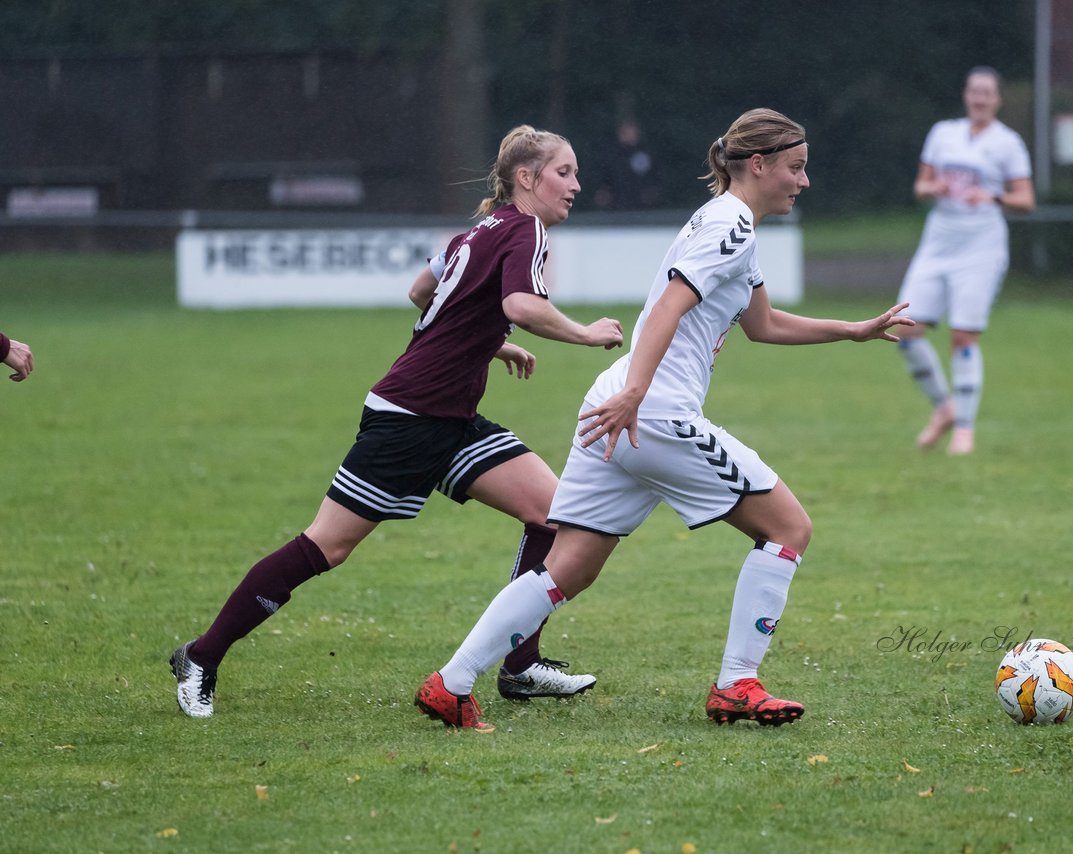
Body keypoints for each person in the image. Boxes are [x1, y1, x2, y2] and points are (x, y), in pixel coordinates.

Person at [414, 108, 914, 732]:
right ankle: (737, 684)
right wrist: (638, 396)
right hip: (648, 411)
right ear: (757, 165)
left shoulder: (732, 227)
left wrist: (854, 329)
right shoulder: (729, 225)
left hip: (620, 403)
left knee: (569, 566)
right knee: (789, 527)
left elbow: (762, 325)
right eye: (796, 167)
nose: (803, 181)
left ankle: (450, 683)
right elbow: (667, 311)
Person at [169, 125, 625, 718]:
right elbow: (519, 305)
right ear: (527, 178)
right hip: (409, 417)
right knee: (325, 547)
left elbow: (422, 290)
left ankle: (520, 666)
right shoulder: (526, 228)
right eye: (565, 173)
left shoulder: (476, 230)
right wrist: (583, 332)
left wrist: (491, 344)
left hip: (452, 415)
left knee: (554, 513)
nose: (576, 185)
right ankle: (201, 657)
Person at [895, 66, 1035, 455]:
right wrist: (932, 187)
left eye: (988, 93)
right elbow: (920, 186)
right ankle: (945, 408)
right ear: (965, 95)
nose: (980, 99)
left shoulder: (1007, 142)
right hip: (939, 241)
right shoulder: (943, 133)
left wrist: (992, 198)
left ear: (998, 99)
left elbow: (1026, 199)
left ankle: (965, 430)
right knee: (905, 330)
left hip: (981, 246)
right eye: (975, 91)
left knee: (963, 335)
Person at [592, 119, 660, 210]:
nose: (630, 136)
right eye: (626, 132)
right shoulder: (611, 155)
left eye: (632, 132)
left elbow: (653, 177)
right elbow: (605, 178)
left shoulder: (645, 154)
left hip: (642, 206)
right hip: (617, 205)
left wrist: (651, 194)